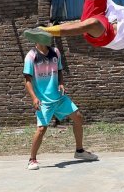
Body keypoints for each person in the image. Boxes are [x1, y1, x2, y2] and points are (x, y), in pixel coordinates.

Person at [23, 40, 98, 170]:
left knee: (78, 117)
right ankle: (32, 159)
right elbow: (27, 80)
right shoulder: (31, 56)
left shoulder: (55, 52)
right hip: (43, 101)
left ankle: (79, 151)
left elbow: (59, 70)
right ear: (36, 38)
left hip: (59, 98)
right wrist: (34, 98)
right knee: (41, 129)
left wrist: (61, 82)